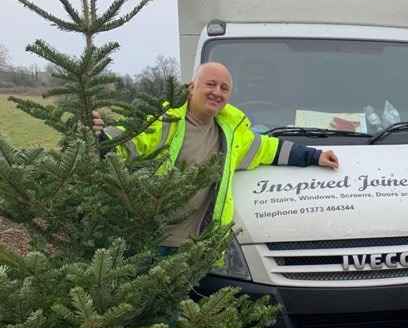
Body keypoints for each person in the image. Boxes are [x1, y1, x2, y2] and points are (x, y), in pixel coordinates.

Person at [94, 61, 339, 249]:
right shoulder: (166, 121)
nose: (217, 92)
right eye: (210, 84)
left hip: (197, 245)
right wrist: (98, 137)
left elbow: (269, 149)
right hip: (155, 238)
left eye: (224, 88)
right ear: (192, 88)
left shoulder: (231, 133)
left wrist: (314, 156)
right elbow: (127, 140)